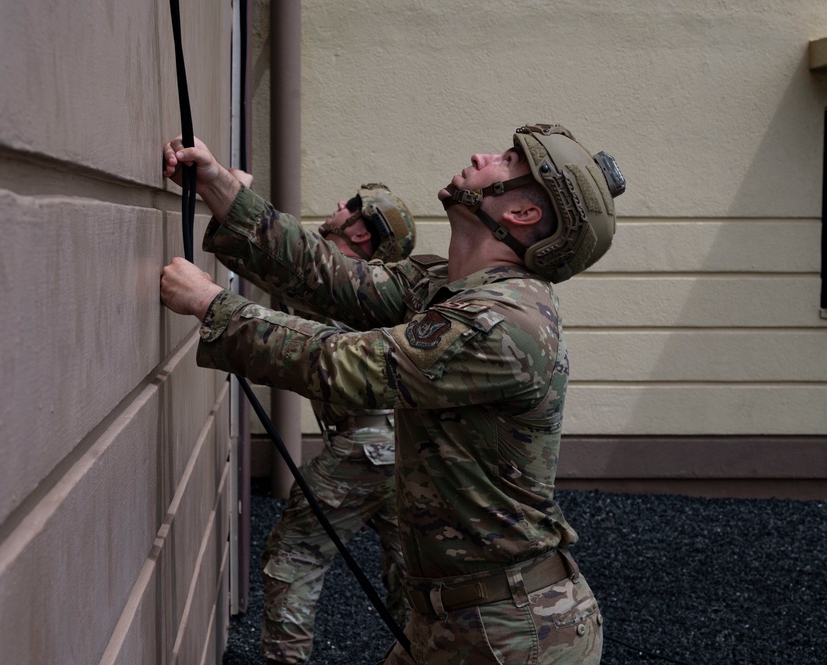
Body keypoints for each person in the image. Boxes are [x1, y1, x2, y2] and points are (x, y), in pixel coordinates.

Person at [160, 124, 625, 664]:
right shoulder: (446, 289)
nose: (482, 153)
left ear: (521, 214)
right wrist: (220, 188)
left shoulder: (501, 322)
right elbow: (332, 276)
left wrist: (214, 307)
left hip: (513, 635)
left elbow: (347, 363)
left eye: (508, 159)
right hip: (462, 616)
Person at [229, 177, 416, 665]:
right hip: (410, 449)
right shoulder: (376, 288)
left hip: (369, 444)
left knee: (295, 555)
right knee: (413, 573)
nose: (338, 205)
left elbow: (272, 255)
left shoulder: (340, 282)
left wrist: (231, 193)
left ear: (360, 234)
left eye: (351, 206)